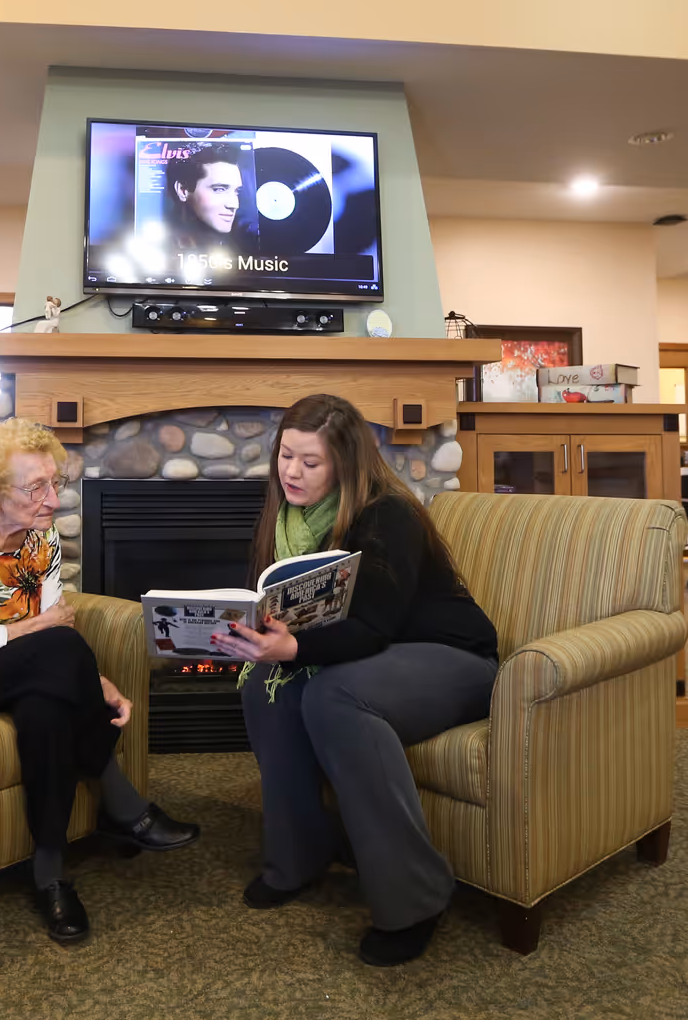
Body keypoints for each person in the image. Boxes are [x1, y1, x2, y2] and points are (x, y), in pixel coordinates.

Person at [210, 394, 499, 967]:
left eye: (310, 462)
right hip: (375, 653)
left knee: (331, 694)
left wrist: (292, 647)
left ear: (344, 463)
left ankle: (416, 897)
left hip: (450, 658)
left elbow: (372, 626)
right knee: (261, 684)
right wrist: (252, 639)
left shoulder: (386, 513)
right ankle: (299, 857)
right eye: (285, 456)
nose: (291, 472)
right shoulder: (286, 516)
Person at [0, 418, 199, 944]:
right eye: (35, 488)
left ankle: (50, 875)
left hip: (15, 668)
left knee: (46, 707)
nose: (52, 500)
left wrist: (93, 676)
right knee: (60, 645)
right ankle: (122, 802)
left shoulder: (41, 538)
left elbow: (43, 638)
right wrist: (45, 632)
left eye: (54, 483)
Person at [165, 144, 251, 252]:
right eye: (219, 189)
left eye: (236, 191)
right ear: (183, 190)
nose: (234, 205)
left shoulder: (239, 248)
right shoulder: (156, 249)